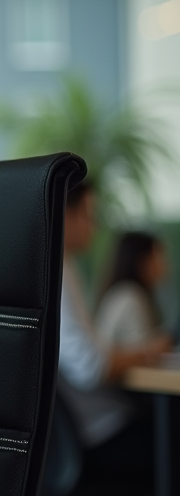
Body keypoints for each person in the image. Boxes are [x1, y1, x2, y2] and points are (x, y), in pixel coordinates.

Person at [56, 184, 169, 478]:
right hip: (96, 431)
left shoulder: (57, 268)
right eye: (90, 215)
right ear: (66, 215)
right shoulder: (60, 272)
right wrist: (150, 351)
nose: (95, 226)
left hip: (79, 430)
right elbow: (92, 366)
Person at [96, 230, 173, 354]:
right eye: (158, 255)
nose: (165, 264)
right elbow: (142, 354)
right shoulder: (129, 297)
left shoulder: (126, 292)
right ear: (142, 262)